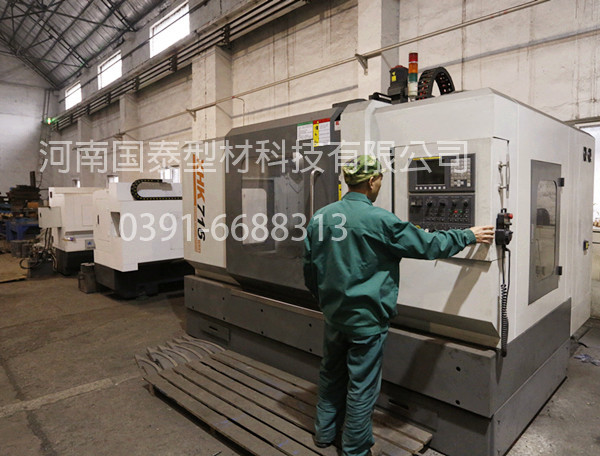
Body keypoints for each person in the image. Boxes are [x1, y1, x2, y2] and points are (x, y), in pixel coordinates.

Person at [303, 155, 495, 456]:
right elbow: (429, 245)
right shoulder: (380, 220)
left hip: (334, 316)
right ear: (371, 181)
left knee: (331, 374)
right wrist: (467, 235)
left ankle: (324, 433)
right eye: (380, 178)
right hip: (367, 321)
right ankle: (355, 449)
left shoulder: (320, 217)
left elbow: (309, 269)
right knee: (362, 385)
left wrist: (326, 302)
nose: (380, 183)